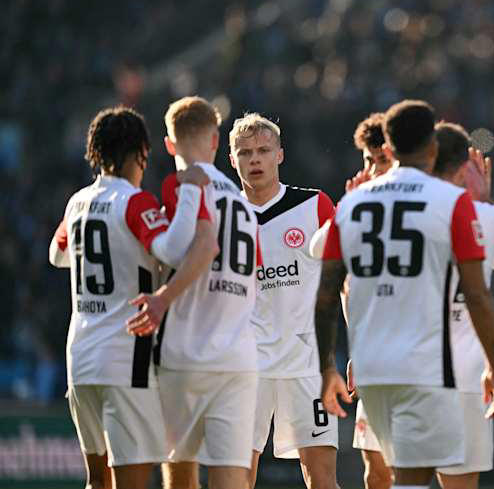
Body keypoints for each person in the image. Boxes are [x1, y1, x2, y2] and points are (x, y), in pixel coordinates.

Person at [315, 100, 494, 489]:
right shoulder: (450, 202)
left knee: (402, 475)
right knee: (414, 476)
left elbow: (326, 292)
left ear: (389, 148)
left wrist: (326, 366)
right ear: (432, 148)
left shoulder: (352, 204)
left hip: (374, 366)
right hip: (424, 365)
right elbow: (477, 293)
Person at [49, 106, 215, 489]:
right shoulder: (135, 202)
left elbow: (57, 255)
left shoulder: (76, 203)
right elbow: (173, 250)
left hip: (80, 358)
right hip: (126, 360)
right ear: (141, 152)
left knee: (97, 481)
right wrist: (190, 191)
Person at [154, 96, 262, 489]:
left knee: (180, 470)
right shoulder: (243, 204)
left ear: (170, 144)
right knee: (230, 475)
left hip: (185, 353)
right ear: (216, 140)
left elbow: (174, 251)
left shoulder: (180, 186)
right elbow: (255, 275)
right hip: (237, 356)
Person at [226, 113, 338, 488]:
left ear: (280, 155)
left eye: (263, 150)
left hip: (307, 362)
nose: (254, 159)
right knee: (235, 480)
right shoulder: (224, 216)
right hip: (243, 365)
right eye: (245, 153)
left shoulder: (315, 206)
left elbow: (344, 282)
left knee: (322, 479)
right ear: (232, 160)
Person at [431, 122, 494, 489]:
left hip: (409, 364)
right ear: (464, 168)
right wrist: (485, 201)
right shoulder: (484, 216)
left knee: (401, 476)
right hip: (467, 371)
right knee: (460, 481)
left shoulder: (402, 210)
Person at [348, 112, 395, 489]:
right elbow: (349, 287)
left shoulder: (423, 204)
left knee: (413, 465)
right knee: (375, 469)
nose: (373, 169)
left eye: (381, 159)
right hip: (374, 352)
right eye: (368, 160)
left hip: (418, 352)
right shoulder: (357, 209)